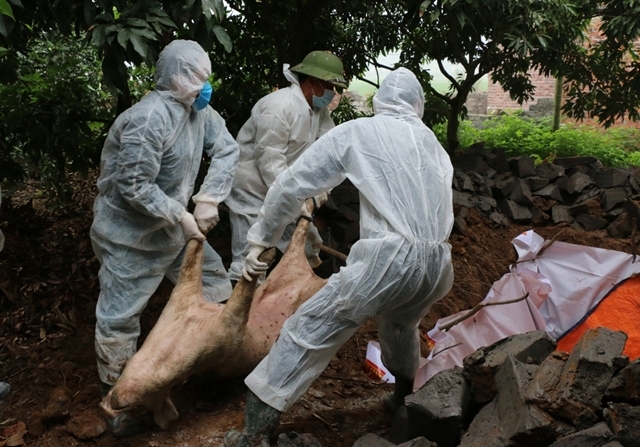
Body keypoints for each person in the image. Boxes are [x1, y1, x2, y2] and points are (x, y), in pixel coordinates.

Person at [224, 67, 455, 447]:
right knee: (400, 327)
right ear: (418, 105)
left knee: (305, 332)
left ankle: (252, 436)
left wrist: (259, 239)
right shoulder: (434, 144)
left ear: (381, 100)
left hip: (388, 261)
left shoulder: (359, 132)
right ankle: (402, 400)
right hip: (436, 266)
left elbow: (290, 184)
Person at [90, 40, 238, 436]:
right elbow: (133, 185)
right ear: (175, 78)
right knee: (120, 319)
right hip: (131, 238)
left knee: (215, 285)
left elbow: (227, 149)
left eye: (207, 79)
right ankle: (122, 400)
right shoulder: (147, 119)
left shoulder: (197, 112)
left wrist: (208, 198)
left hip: (175, 228)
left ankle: (212, 361)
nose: (206, 88)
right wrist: (180, 214)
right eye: (198, 79)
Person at [225, 50, 348, 284]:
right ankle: (238, 314)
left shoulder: (317, 112)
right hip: (253, 192)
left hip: (285, 189)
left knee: (306, 245)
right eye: (329, 85)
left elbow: (330, 148)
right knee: (251, 260)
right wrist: (295, 198)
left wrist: (319, 191)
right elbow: (270, 161)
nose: (333, 92)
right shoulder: (279, 107)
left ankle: (284, 302)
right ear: (312, 82)